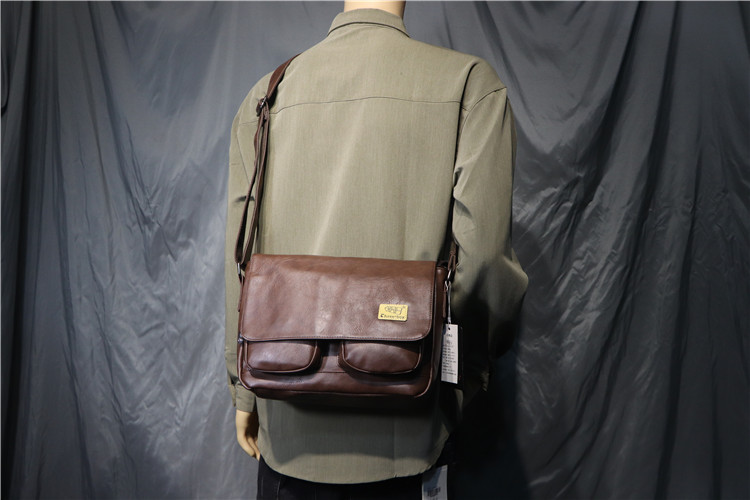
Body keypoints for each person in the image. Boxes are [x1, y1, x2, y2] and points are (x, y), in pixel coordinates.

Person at [224, 1, 528, 497]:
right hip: (409, 428)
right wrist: (461, 380)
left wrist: (244, 391)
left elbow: (239, 261)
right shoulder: (469, 86)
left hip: (285, 424)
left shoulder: (266, 96)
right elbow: (486, 263)